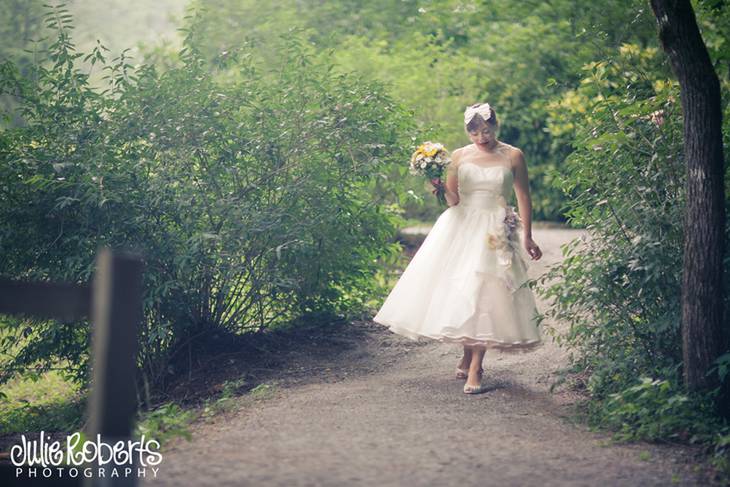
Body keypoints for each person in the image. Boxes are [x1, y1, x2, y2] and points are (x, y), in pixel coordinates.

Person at [372, 102, 544, 394]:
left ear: (495, 126)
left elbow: (524, 196)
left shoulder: (514, 155)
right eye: (475, 132)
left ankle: (476, 366)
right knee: (466, 290)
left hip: (495, 228)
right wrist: (435, 184)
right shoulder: (458, 156)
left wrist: (527, 235)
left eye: (486, 131)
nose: (482, 137)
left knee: (488, 292)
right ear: (468, 131)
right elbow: (453, 200)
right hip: (461, 226)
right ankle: (468, 354)